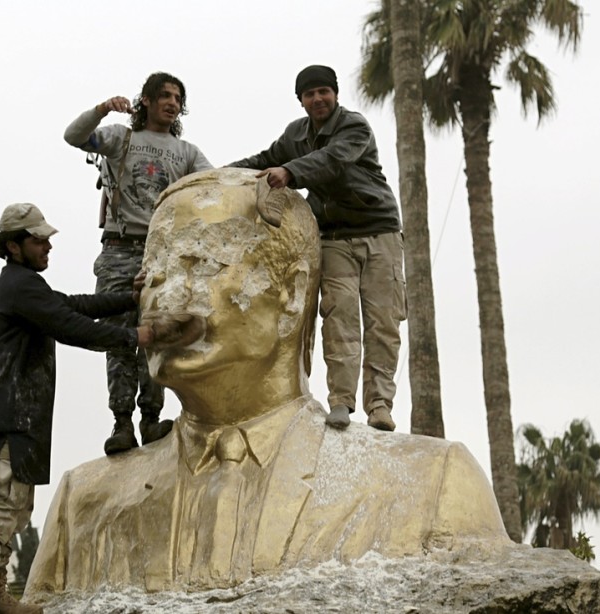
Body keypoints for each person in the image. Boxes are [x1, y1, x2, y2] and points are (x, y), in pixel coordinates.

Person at [25, 170, 507, 595]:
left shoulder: (433, 486)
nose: (164, 298)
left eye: (203, 264)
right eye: (153, 274)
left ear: (293, 294)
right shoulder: (81, 501)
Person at [0, 203, 158, 614]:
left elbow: (70, 305)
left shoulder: (25, 284)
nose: (48, 245)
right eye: (38, 240)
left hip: (19, 411)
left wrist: (127, 297)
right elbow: (70, 325)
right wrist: (133, 336)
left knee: (18, 503)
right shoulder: (17, 286)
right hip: (10, 410)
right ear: (13, 247)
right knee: (5, 498)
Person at [227, 64, 406, 432]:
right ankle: (341, 401)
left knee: (382, 322)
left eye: (324, 91)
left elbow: (333, 159)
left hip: (379, 230)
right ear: (301, 101)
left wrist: (290, 172)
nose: (318, 99)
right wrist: (224, 174)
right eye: (310, 94)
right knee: (339, 317)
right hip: (333, 236)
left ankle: (380, 404)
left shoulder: (353, 127)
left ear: (335, 94)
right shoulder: (296, 135)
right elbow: (265, 161)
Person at [64, 71, 213, 455]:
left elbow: (212, 185)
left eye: (178, 98)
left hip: (161, 250)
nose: (171, 103)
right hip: (119, 248)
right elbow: (74, 136)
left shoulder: (186, 153)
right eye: (164, 95)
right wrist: (101, 109)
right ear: (145, 100)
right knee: (118, 336)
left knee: (159, 333)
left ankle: (150, 418)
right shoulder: (120, 138)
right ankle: (121, 421)